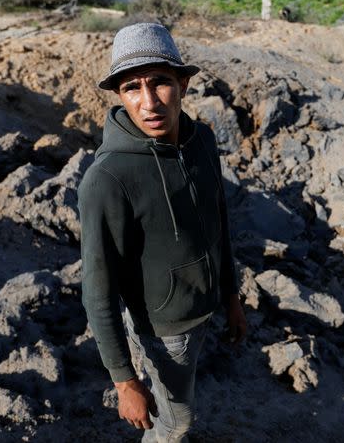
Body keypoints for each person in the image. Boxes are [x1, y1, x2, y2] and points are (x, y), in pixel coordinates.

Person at [78, 22, 247, 442]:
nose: (149, 102)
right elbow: (97, 290)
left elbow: (218, 222)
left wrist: (231, 295)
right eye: (132, 88)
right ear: (120, 95)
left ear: (184, 84)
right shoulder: (108, 178)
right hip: (164, 329)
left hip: (206, 307)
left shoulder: (202, 141)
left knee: (176, 406)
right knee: (175, 422)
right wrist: (124, 381)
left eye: (160, 83)